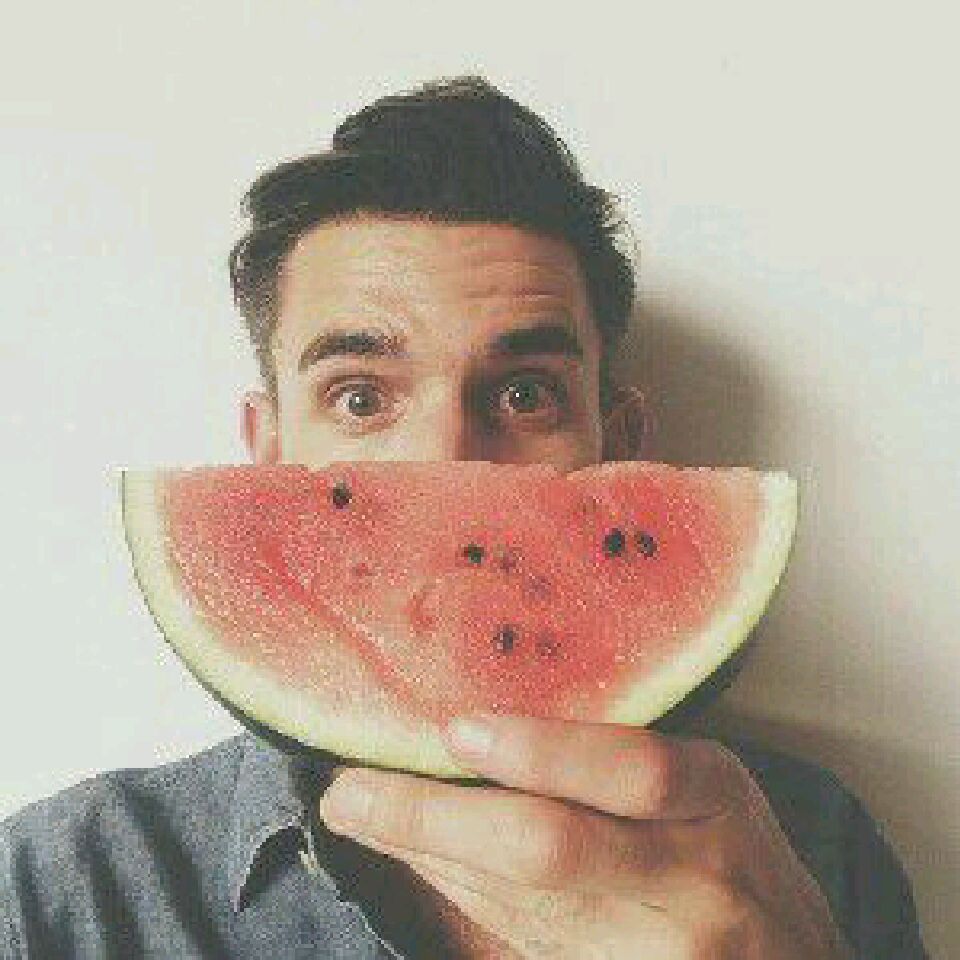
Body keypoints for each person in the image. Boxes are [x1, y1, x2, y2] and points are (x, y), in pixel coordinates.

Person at [0, 75, 929, 959]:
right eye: (360, 398)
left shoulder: (801, 850)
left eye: (526, 393)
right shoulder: (57, 889)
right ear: (268, 454)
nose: (447, 464)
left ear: (622, 450)